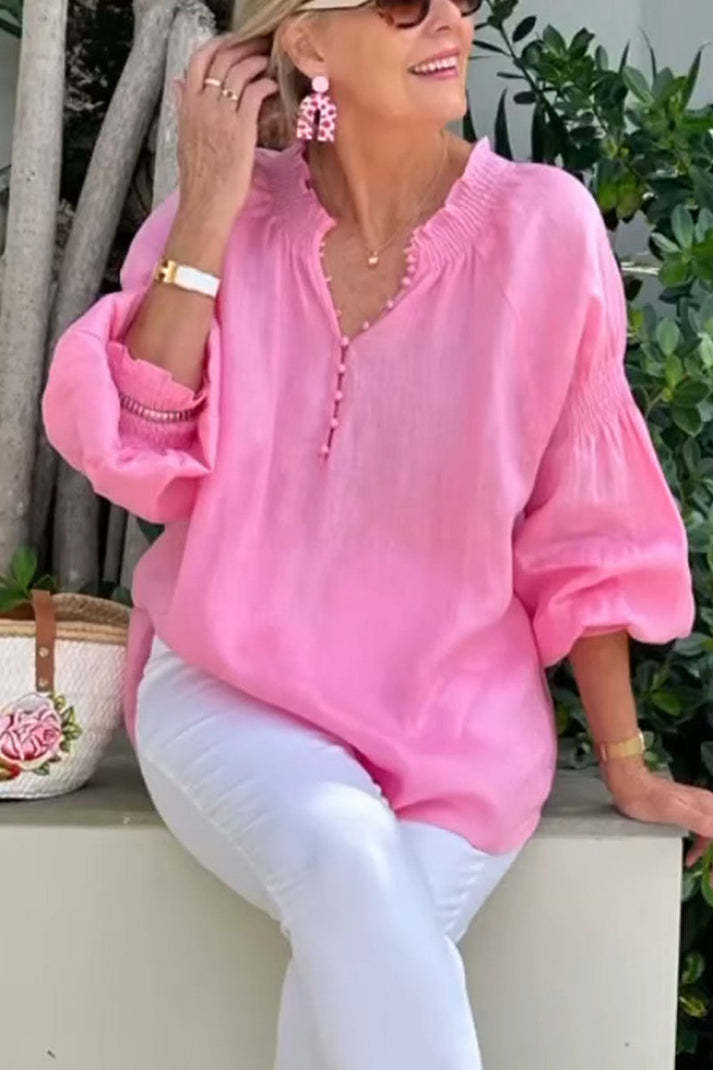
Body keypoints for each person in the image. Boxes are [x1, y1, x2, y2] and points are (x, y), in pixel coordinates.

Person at [41, 0, 705, 1066]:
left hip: (456, 737)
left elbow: (587, 528)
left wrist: (626, 762)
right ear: (307, 40)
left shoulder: (543, 229)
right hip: (232, 691)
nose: (448, 21)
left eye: (461, 0)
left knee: (350, 980)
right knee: (344, 861)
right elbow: (141, 451)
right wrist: (207, 209)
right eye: (403, 3)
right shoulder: (226, 219)